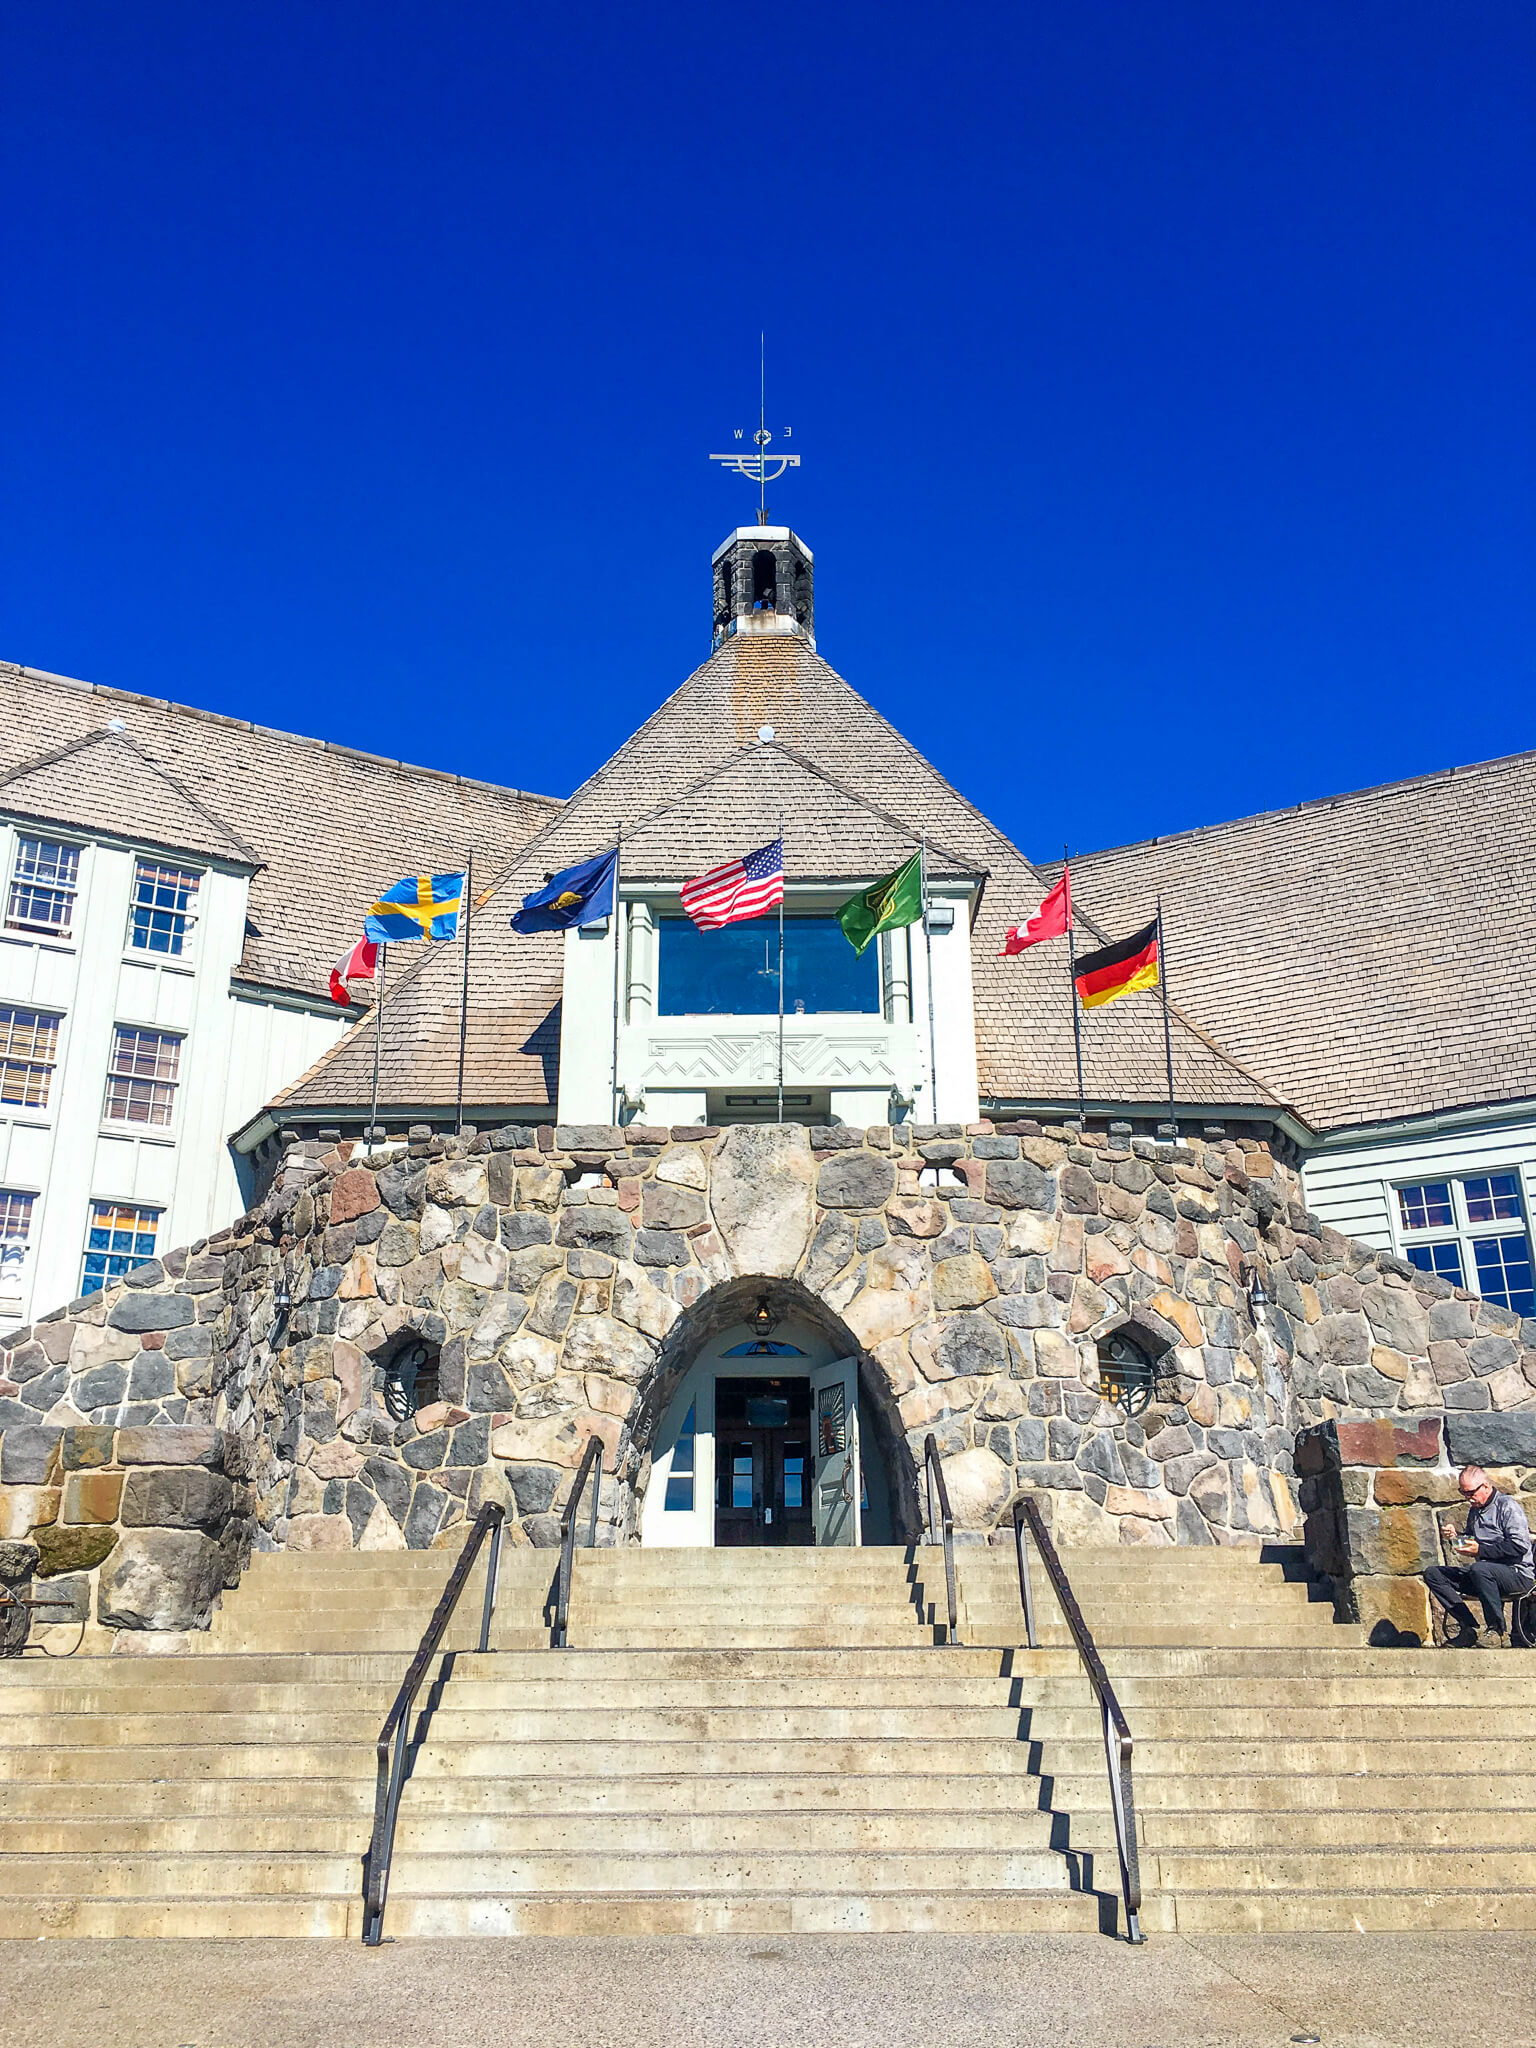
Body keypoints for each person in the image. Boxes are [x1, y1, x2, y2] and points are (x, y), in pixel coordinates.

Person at [1425, 1465, 1534, 1647]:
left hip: (1517, 1574)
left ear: (1485, 1486)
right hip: (1484, 1576)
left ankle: (1497, 1630)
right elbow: (1472, 1541)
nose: (1468, 1498)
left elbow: (1519, 1546)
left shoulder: (1507, 1506)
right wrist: (1456, 1538)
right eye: (1463, 1493)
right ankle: (1469, 1627)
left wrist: (1480, 1550)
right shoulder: (1475, 1510)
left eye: (1470, 1492)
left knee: (1479, 1569)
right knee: (1433, 1574)